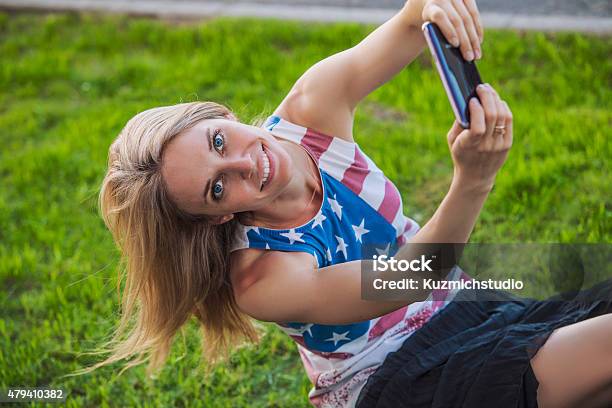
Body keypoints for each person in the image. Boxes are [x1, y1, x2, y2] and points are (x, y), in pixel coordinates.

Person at [93, 0, 612, 407]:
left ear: (219, 114)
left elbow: (412, 21)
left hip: (467, 305)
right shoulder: (262, 278)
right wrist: (474, 179)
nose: (245, 166)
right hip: (402, 377)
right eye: (218, 188)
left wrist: (432, 9)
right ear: (220, 216)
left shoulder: (311, 107)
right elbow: (409, 279)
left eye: (218, 142)